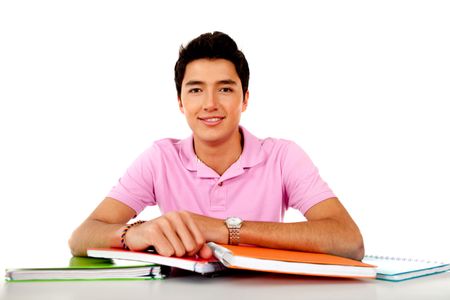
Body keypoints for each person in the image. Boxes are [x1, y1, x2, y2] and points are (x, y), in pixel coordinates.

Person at [69, 31, 364, 261]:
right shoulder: (160, 158)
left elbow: (349, 241)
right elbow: (81, 238)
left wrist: (224, 229)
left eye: (224, 89)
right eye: (196, 90)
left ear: (245, 99)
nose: (210, 104)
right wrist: (134, 233)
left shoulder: (282, 157)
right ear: (180, 102)